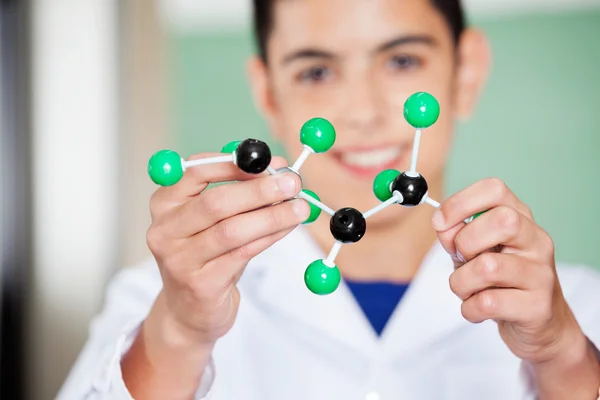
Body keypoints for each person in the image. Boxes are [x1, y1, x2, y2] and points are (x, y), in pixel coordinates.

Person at [58, 0, 600, 399]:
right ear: (268, 91)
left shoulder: (578, 307)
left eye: (402, 61)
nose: (361, 112)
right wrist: (178, 331)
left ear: (467, 71)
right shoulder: (156, 300)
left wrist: (562, 356)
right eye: (316, 71)